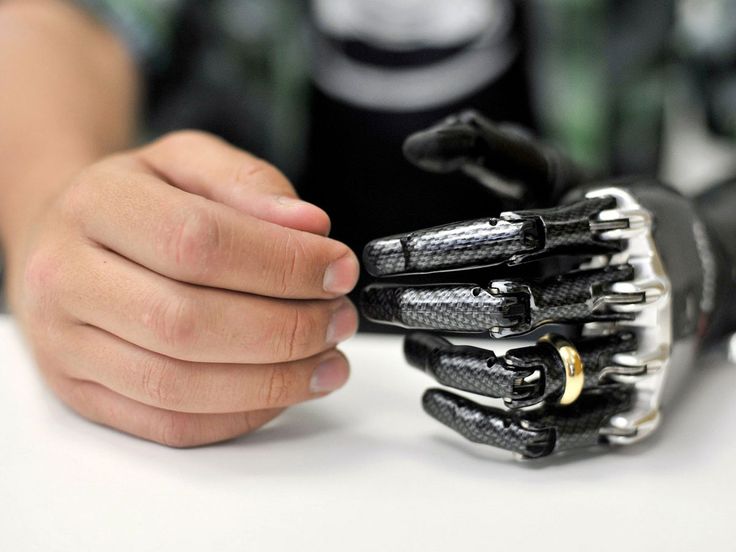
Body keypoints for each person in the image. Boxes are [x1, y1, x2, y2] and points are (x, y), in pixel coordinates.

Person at [1, 0, 734, 447]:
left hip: (579, 332)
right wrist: (51, 208)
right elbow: (60, 22)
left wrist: (709, 246)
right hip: (227, 380)